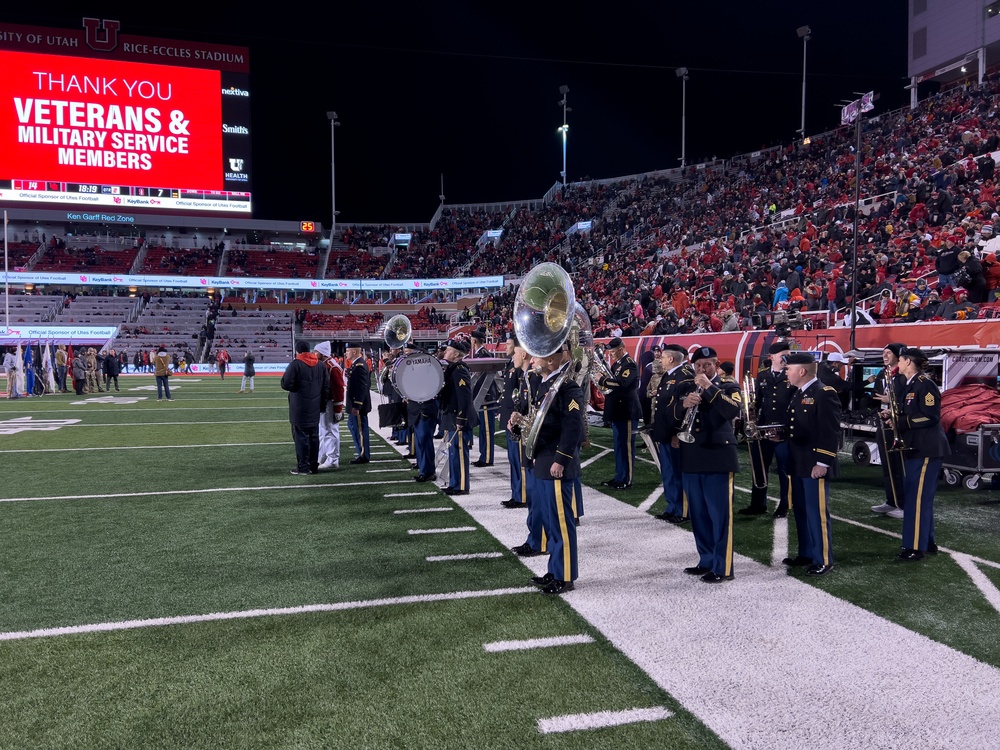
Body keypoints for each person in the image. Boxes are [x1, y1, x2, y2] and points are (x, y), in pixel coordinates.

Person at [674, 346, 741, 583]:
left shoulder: (729, 386)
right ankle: (706, 560)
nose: (702, 369)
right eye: (698, 366)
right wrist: (683, 405)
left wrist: (709, 387)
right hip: (692, 456)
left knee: (719, 516)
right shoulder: (686, 387)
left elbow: (732, 410)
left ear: (716, 365)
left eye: (707, 365)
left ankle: (723, 568)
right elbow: (669, 414)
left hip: (718, 457)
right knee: (699, 515)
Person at [525, 341, 585, 595]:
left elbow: (573, 427)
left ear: (551, 360)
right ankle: (554, 570)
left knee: (561, 523)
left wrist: (561, 459)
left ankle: (566, 576)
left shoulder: (568, 387)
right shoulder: (545, 384)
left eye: (539, 355)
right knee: (550, 523)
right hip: (543, 458)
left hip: (556, 461)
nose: (533, 358)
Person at [783, 351, 841, 576]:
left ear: (801, 371)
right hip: (798, 462)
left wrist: (823, 462)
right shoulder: (799, 393)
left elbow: (830, 431)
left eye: (789, 369)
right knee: (801, 511)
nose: (786, 373)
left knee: (816, 513)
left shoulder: (823, 393)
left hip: (814, 464)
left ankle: (824, 559)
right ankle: (806, 552)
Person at [888, 347, 948, 561]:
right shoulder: (912, 384)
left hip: (926, 448)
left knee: (916, 500)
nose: (898, 363)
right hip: (917, 448)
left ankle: (914, 547)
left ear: (907, 361)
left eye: (901, 359)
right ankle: (927, 541)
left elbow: (930, 417)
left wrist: (901, 421)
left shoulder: (925, 384)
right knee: (920, 498)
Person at [740, 341, 794, 518]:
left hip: (783, 430)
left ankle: (785, 505)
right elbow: (758, 400)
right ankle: (758, 504)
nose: (787, 358)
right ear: (772, 357)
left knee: (784, 470)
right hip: (763, 428)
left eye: (789, 354)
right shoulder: (763, 375)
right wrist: (752, 415)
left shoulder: (792, 374)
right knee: (759, 467)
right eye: (783, 354)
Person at [651, 344, 694, 524]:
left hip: (674, 434)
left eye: (662, 357)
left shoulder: (684, 376)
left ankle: (683, 510)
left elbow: (686, 410)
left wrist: (678, 433)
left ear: (670, 359)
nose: (659, 360)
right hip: (664, 432)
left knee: (677, 473)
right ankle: (672, 507)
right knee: (668, 473)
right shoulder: (670, 375)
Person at [867, 343, 906, 518]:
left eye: (888, 352)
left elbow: (907, 400)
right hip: (883, 422)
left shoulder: (904, 375)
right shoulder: (883, 373)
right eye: (883, 352)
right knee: (887, 466)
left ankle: (903, 505)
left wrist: (891, 400)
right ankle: (891, 501)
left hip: (898, 425)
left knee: (899, 466)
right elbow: (876, 394)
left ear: (899, 356)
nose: (885, 355)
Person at [598, 337, 642, 489]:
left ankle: (627, 479)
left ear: (622, 348)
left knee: (627, 446)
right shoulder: (617, 364)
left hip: (627, 411)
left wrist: (602, 380)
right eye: (610, 352)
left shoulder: (629, 364)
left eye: (614, 352)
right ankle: (619, 476)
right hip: (618, 410)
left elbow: (622, 384)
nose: (612, 355)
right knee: (618, 446)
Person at [281, 340, 329, 475]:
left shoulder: (296, 364)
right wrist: (322, 405)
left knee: (301, 437)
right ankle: (313, 466)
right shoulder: (320, 365)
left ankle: (303, 467)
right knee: (314, 436)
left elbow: (285, 384)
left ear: (297, 351)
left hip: (299, 407)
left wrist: (297, 388)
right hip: (315, 406)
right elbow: (326, 387)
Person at [439, 338, 474, 496]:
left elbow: (464, 397)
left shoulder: (459, 369)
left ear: (456, 354)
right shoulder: (452, 368)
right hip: (451, 415)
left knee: (459, 452)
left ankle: (461, 485)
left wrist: (461, 419)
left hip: (457, 417)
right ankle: (454, 483)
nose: (445, 352)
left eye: (448, 350)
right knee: (453, 452)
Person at [499, 336, 528, 507]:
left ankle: (522, 495)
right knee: (513, 459)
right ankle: (516, 493)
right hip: (509, 417)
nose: (505, 347)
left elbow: (521, 396)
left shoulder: (520, 368)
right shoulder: (511, 364)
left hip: (516, 420)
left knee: (519, 459)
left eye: (509, 345)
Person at [471, 328, 500, 467]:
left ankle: (487, 458)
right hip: (482, 396)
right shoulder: (479, 354)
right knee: (483, 429)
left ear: (474, 340)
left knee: (487, 430)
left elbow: (485, 378)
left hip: (486, 396)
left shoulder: (483, 354)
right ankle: (484, 455)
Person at [315, 341, 346, 471]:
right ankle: (321, 457)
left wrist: (338, 408)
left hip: (330, 403)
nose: (314, 353)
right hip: (327, 402)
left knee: (330, 431)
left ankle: (332, 459)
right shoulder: (328, 364)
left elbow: (339, 389)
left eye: (316, 351)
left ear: (321, 353)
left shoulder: (332, 367)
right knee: (324, 431)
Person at [345, 343, 372, 464]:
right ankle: (361, 452)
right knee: (354, 427)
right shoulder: (357, 364)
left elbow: (362, 387)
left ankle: (363, 455)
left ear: (354, 352)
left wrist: (357, 405)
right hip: (355, 404)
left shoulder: (359, 365)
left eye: (348, 351)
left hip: (358, 406)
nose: (346, 353)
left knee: (360, 430)